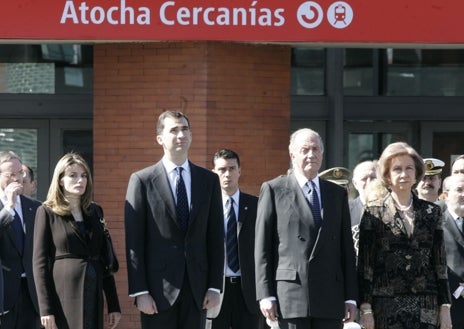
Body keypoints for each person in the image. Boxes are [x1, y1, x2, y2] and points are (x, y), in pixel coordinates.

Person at [124, 110, 224, 329]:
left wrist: (215, 287)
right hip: (157, 292)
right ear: (160, 139)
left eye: (185, 129)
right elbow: (134, 242)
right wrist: (141, 292)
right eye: (174, 130)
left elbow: (216, 237)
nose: (181, 135)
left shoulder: (209, 180)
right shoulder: (142, 181)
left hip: (198, 290)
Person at [255, 128, 358, 329]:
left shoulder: (336, 194)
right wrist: (265, 294)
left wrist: (351, 297)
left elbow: (347, 249)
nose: (311, 155)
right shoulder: (274, 189)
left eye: (316, 149)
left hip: (330, 295)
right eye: (305, 150)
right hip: (291, 295)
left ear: (322, 154)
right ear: (292, 154)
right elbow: (262, 248)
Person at [357, 142, 452, 329]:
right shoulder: (373, 212)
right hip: (386, 304)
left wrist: (445, 307)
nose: (404, 174)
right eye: (397, 169)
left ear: (416, 173)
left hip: (426, 304)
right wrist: (366, 309)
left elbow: (440, 263)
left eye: (409, 168)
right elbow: (366, 264)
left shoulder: (432, 212)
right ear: (387, 175)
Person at [33, 153, 121, 329]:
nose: (79, 180)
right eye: (72, 175)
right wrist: (45, 309)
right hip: (63, 294)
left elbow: (105, 259)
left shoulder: (95, 211)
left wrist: (113, 304)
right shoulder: (47, 211)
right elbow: (39, 264)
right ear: (60, 180)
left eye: (84, 175)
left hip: (92, 291)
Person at [207, 149, 265, 329]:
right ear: (213, 173)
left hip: (248, 292)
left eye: (232, 169)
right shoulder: (206, 207)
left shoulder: (257, 205)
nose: (227, 174)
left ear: (240, 171)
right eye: (222, 169)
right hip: (215, 290)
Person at [0, 150, 42, 329]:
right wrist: (8, 206)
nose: (17, 179)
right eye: (10, 175)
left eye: (20, 173)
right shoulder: (6, 207)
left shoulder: (35, 207)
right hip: (4, 293)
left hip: (32, 294)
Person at [441, 174, 464, 329]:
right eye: (460, 190)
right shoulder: (436, 224)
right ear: (446, 195)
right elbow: (436, 262)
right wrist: (459, 288)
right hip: (452, 307)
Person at [349, 161, 377, 227]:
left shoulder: (392, 208)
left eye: (373, 177)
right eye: (364, 179)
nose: (369, 182)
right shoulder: (346, 211)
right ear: (355, 183)